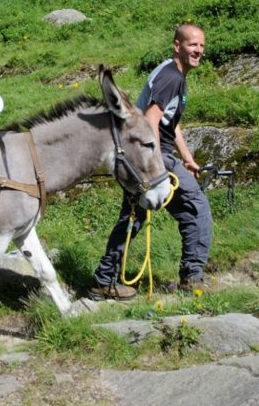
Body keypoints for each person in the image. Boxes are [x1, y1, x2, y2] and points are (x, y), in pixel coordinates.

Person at [89, 24, 213, 300]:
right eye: (193, 45)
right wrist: (157, 166)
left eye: (202, 46)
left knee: (134, 217)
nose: (199, 51)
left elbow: (171, 121)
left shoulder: (173, 73)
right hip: (153, 157)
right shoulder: (172, 77)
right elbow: (151, 120)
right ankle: (192, 279)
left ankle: (104, 279)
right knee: (196, 209)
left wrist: (188, 157)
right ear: (177, 46)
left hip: (146, 155)